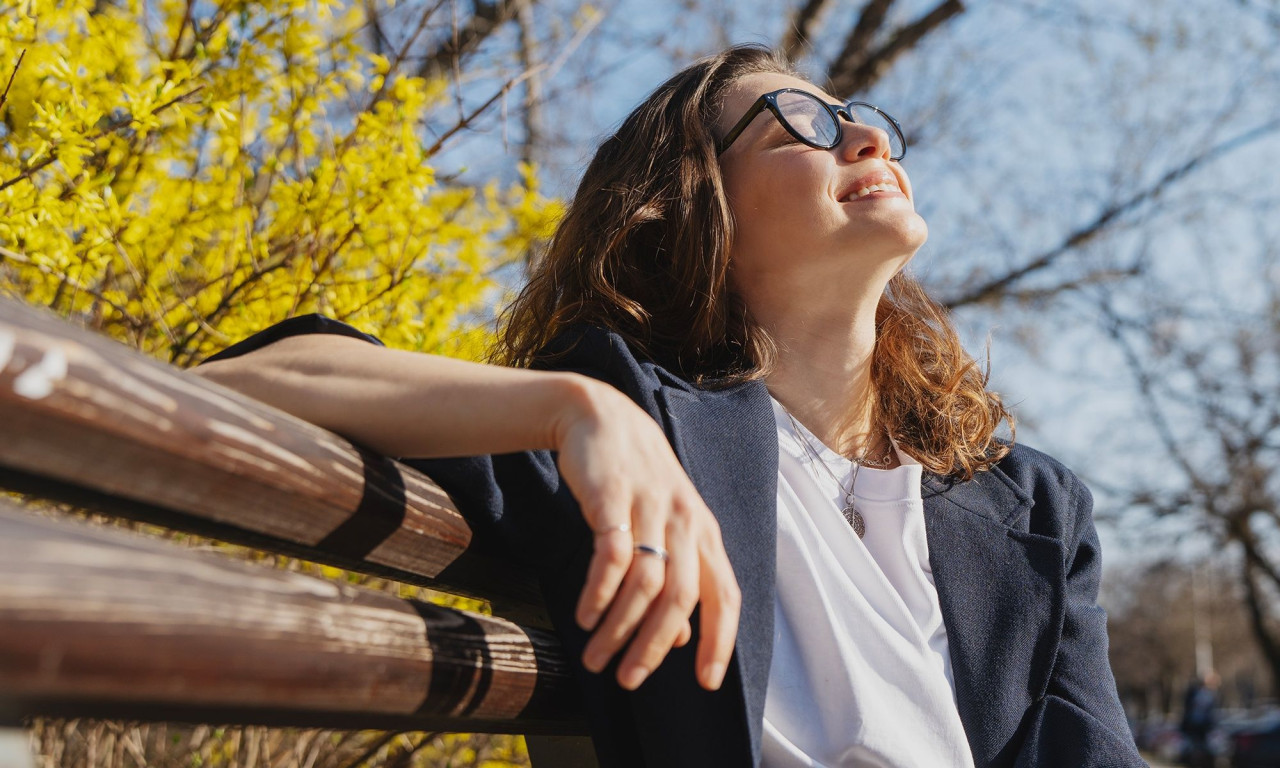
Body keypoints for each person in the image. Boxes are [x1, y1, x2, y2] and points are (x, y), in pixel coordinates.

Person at [194, 44, 1145, 768]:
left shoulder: (1034, 509)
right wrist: (578, 414)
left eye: (861, 119)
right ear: (696, 210)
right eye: (799, 125)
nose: (865, 138)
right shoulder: (632, 433)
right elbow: (257, 378)